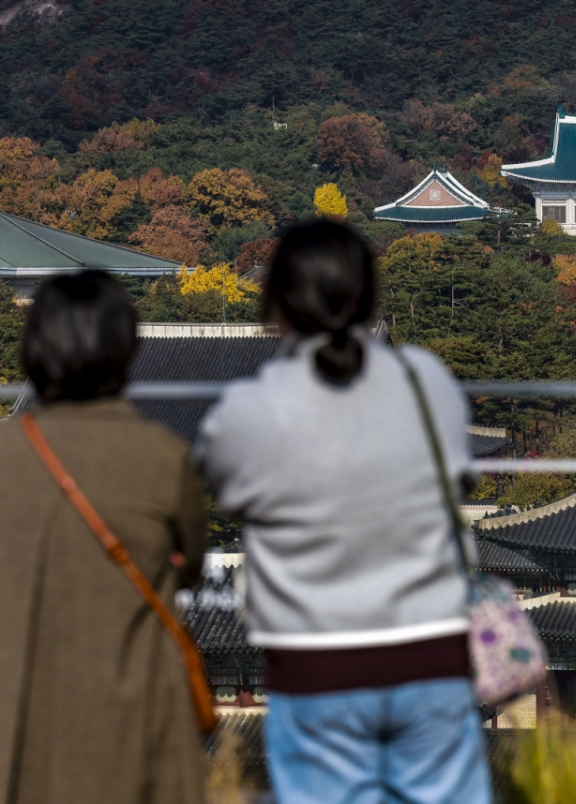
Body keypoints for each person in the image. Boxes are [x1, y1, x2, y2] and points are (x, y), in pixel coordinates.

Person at [196, 220, 491, 804]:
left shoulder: (252, 407)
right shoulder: (424, 378)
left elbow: (223, 487)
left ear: (276, 303)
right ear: (368, 296)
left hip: (317, 663)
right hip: (431, 650)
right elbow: (457, 477)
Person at [0, 271, 207, 804]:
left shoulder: (3, 453)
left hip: (23, 699)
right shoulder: (162, 453)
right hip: (134, 701)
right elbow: (194, 563)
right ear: (125, 348)